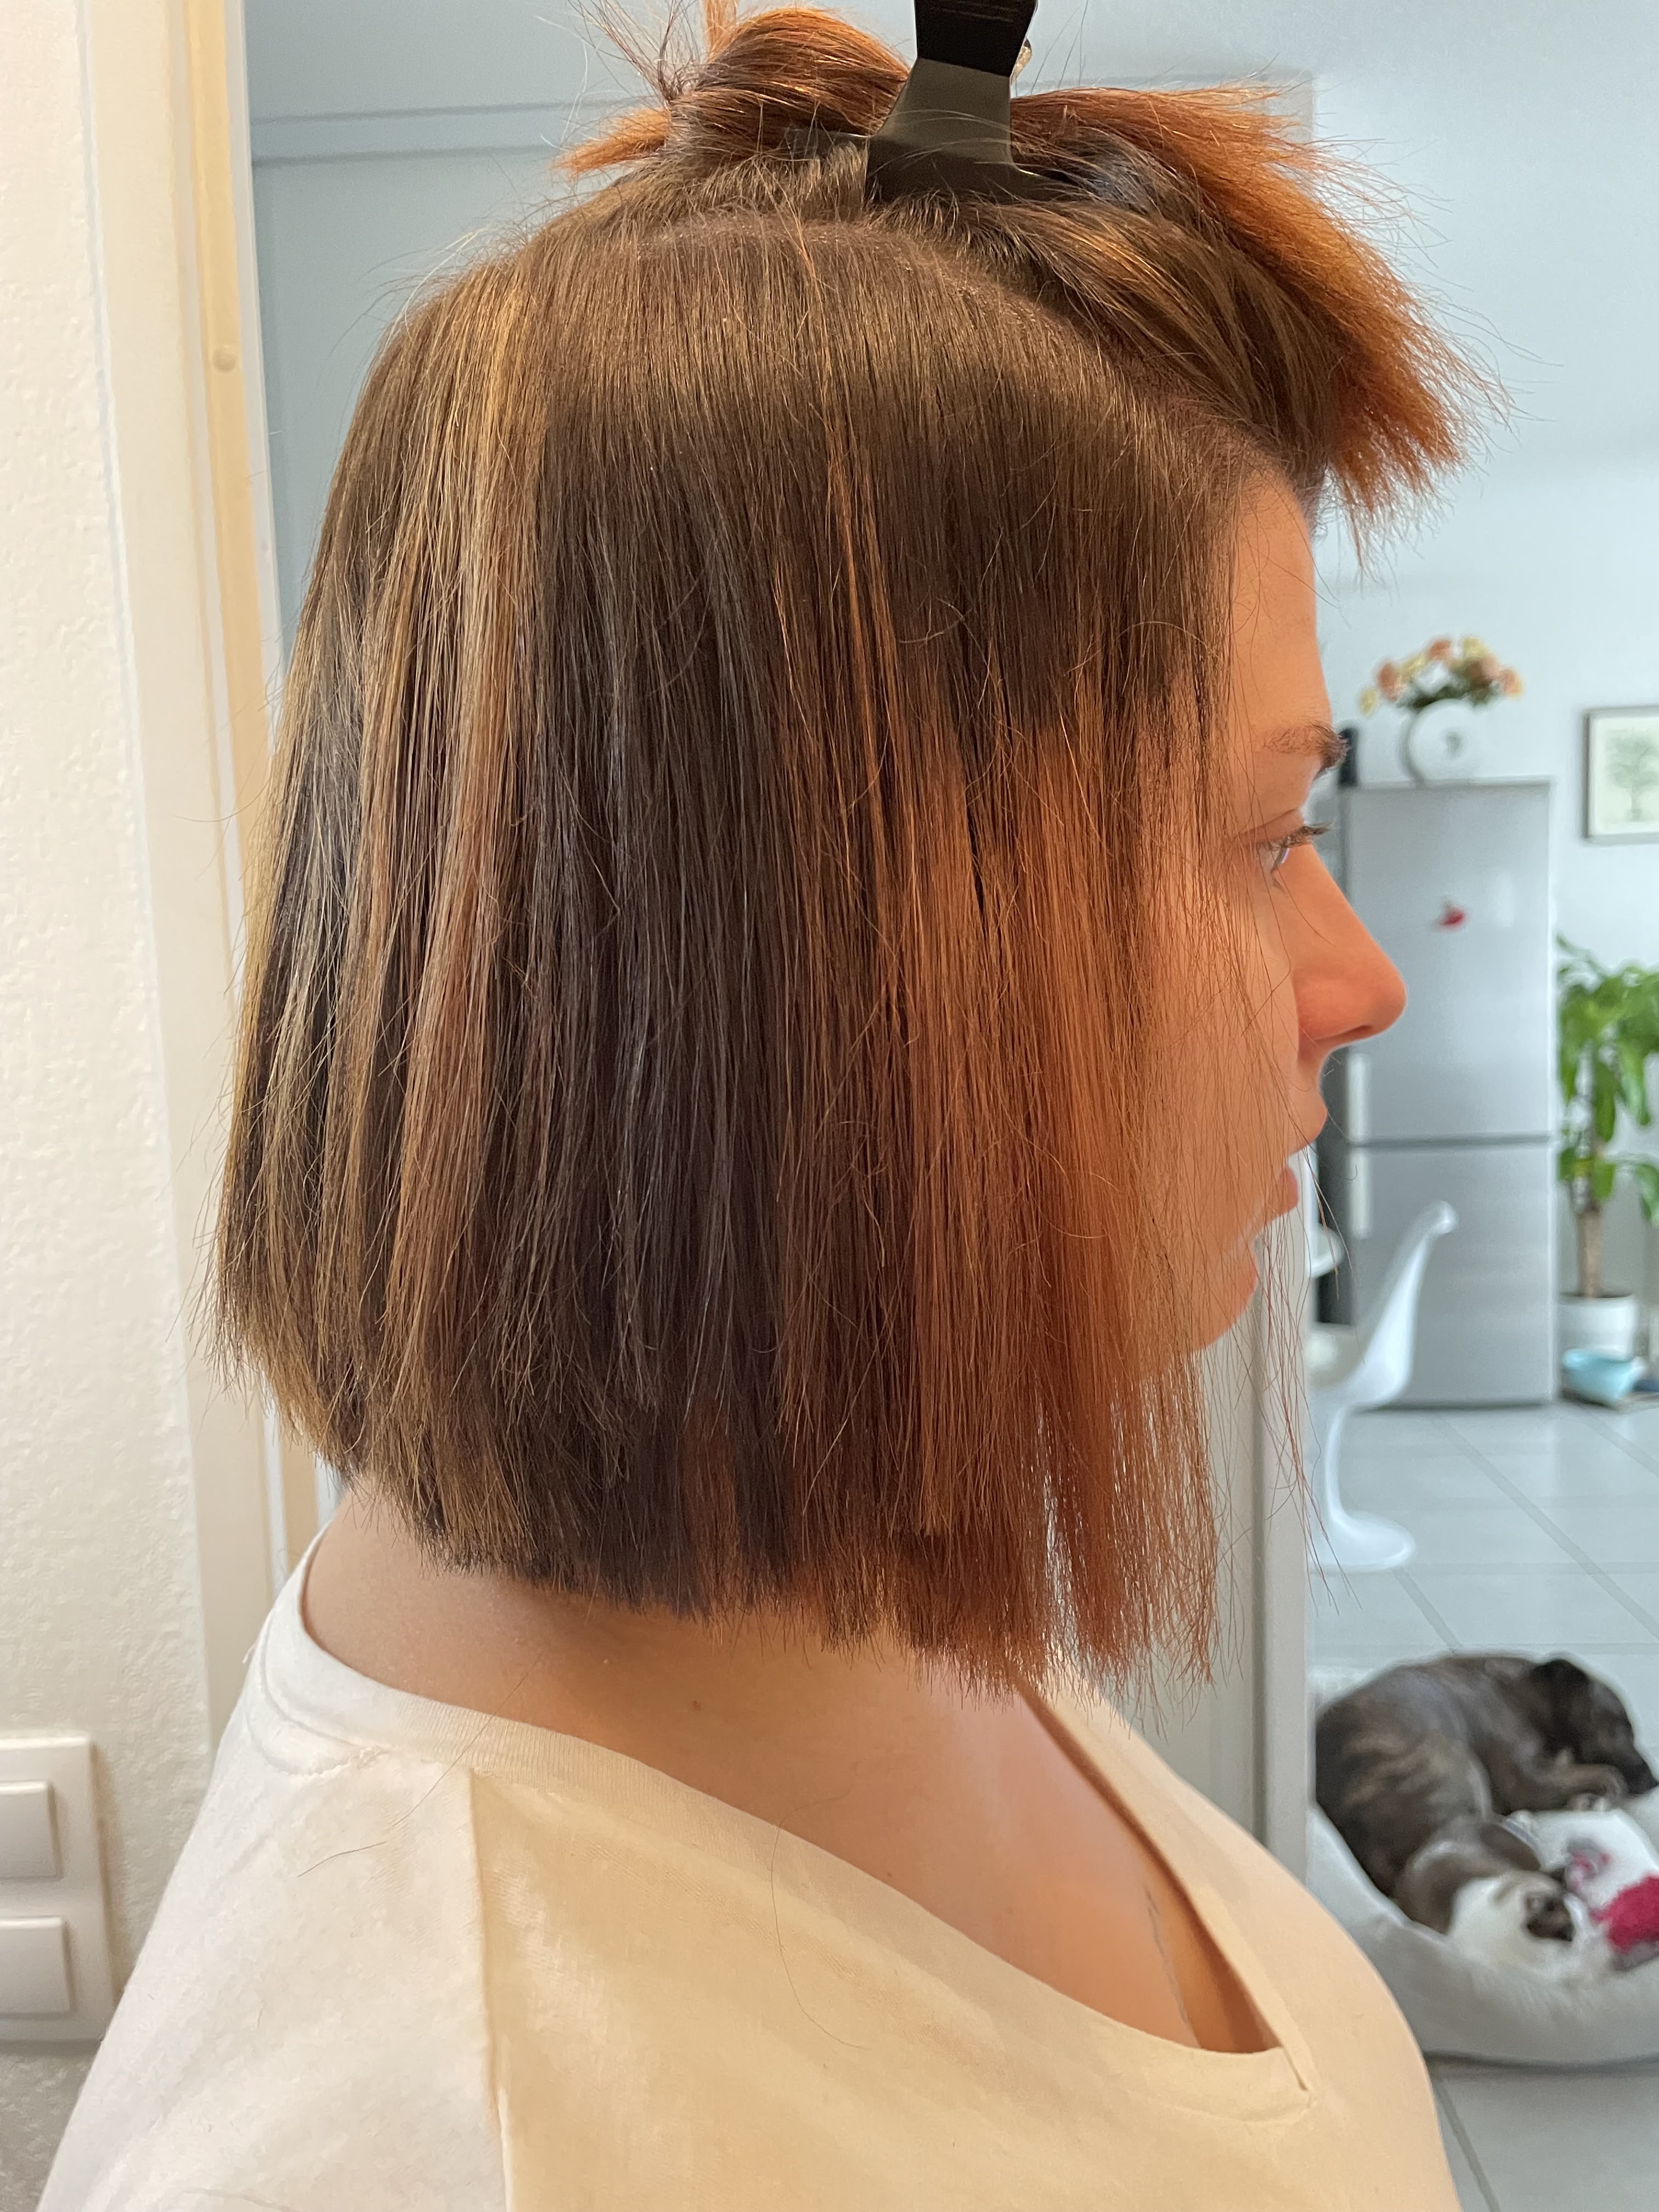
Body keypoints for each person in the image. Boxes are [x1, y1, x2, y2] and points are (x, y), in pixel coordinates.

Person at [43, 2, 1489, 2204]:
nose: (1361, 983)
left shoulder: (820, 1577)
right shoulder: (442, 2140)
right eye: (1262, 837)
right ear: (778, 939)